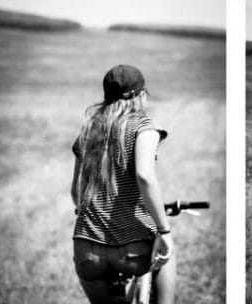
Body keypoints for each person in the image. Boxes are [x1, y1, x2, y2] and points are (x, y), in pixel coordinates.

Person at [70, 64, 176, 304]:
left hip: (87, 249)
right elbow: (145, 176)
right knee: (168, 252)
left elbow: (76, 191)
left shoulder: (87, 129)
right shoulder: (144, 127)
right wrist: (164, 230)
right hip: (133, 249)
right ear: (140, 95)